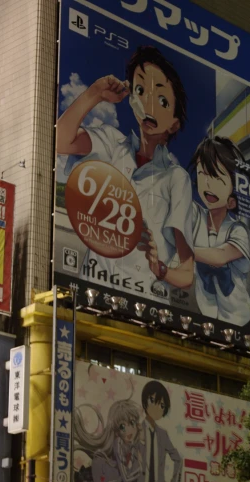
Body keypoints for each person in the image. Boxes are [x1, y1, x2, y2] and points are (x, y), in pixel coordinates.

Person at [56, 45, 194, 302]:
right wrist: (94, 94)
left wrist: (160, 268)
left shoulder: (177, 179)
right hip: (91, 298)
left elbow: (187, 272)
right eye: (141, 91)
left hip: (144, 309)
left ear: (174, 123)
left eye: (162, 100)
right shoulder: (109, 143)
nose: (149, 104)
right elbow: (59, 141)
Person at [188, 135, 250, 325]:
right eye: (203, 174)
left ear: (233, 198)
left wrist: (186, 250)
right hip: (206, 315)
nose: (208, 184)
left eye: (218, 177)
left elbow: (221, 256)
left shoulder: (238, 230)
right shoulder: (197, 215)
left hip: (239, 319)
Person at [73, 398, 145, 482]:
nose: (129, 430)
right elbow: (126, 478)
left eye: (132, 423)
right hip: (98, 479)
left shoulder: (132, 445)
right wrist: (140, 469)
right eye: (122, 426)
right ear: (116, 431)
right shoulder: (118, 443)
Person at [140, 380, 182, 482]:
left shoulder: (163, 435)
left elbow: (178, 459)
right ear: (144, 401)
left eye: (162, 405)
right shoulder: (137, 430)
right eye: (152, 401)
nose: (157, 408)